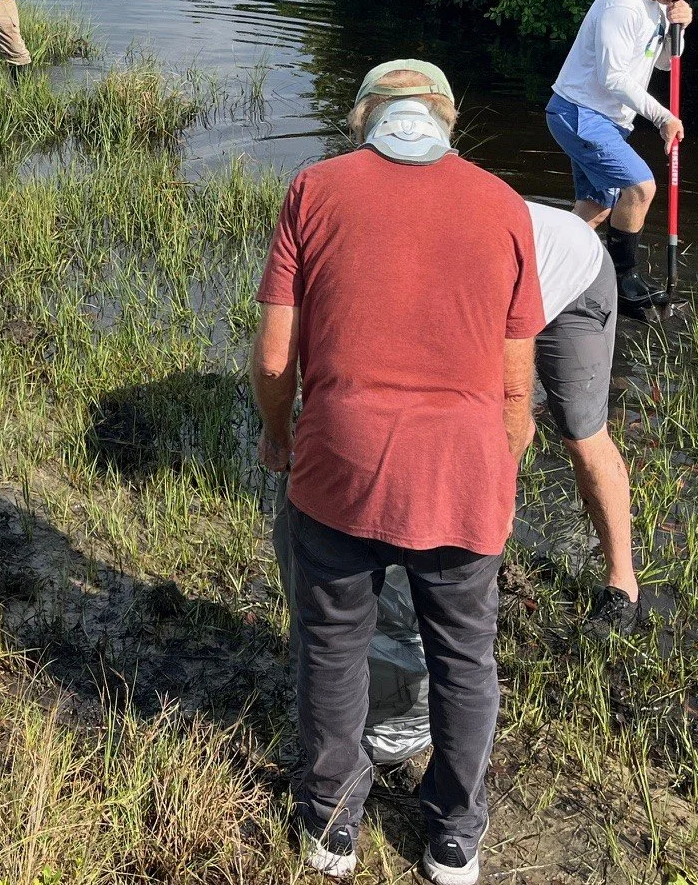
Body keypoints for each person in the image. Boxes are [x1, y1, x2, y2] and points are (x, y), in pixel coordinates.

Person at [252, 60, 543, 885]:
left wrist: (281, 435)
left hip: (341, 460)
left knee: (332, 645)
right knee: (464, 658)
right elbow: (516, 384)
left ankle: (332, 828)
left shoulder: (315, 188)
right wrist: (498, 462)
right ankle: (454, 838)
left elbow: (276, 359)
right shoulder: (503, 202)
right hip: (463, 469)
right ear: (446, 121)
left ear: (363, 119)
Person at [544, 0, 698, 308]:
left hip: (605, 120)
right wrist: (663, 117)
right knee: (640, 187)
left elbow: (666, 63)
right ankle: (623, 282)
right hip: (580, 113)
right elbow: (613, 78)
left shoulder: (658, 7)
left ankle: (547, 271)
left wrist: (679, 28)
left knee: (596, 207)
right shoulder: (622, 3)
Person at [526, 200, 640, 633]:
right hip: (526, 275)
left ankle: (623, 586)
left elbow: (513, 410)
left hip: (575, 275)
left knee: (582, 431)